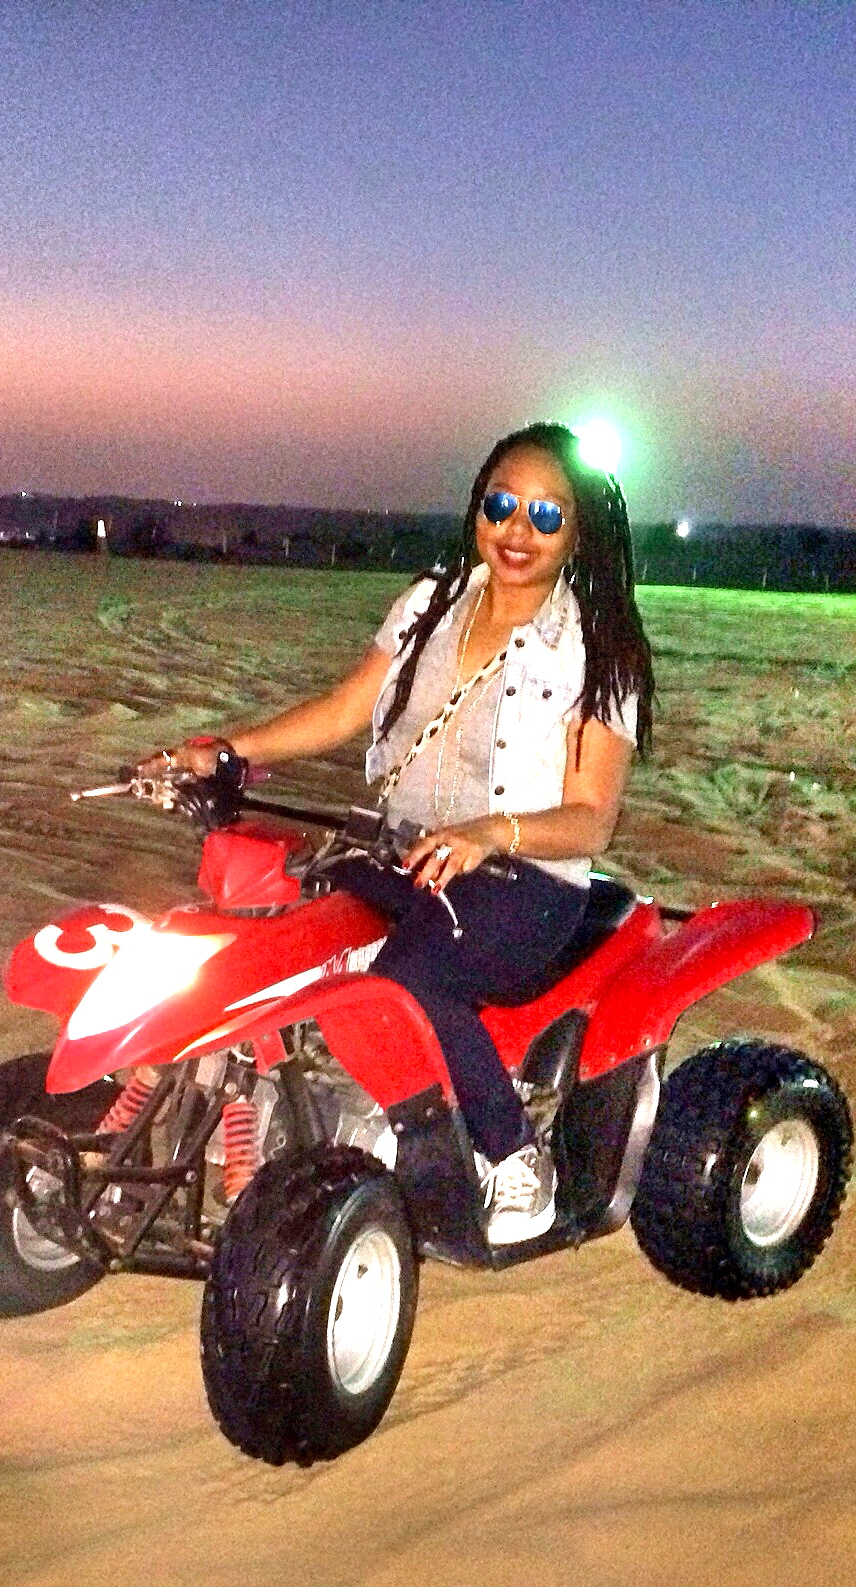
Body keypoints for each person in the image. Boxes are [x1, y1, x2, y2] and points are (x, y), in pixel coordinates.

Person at [139, 421, 654, 1243]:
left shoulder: (598, 651)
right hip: (404, 854)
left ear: (578, 531)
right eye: (502, 505)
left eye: (547, 515)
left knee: (410, 977)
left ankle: (514, 1157)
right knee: (267, 936)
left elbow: (593, 816)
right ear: (477, 507)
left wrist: (489, 833)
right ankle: (250, 1116)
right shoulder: (430, 606)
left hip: (522, 882)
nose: (518, 531)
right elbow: (345, 709)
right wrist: (228, 752)